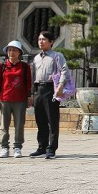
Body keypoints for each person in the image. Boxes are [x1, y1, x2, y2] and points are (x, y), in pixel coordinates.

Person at [29, 30, 70, 159]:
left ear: (51, 42)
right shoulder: (35, 58)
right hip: (38, 90)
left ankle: (51, 148)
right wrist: (31, 93)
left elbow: (64, 71)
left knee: (52, 120)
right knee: (40, 120)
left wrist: (60, 87)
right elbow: (33, 76)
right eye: (39, 39)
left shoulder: (57, 56)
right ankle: (41, 147)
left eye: (44, 40)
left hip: (51, 89)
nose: (41, 42)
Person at [0, 40, 32, 158]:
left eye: (14, 50)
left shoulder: (25, 67)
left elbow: (28, 82)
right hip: (4, 99)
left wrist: (29, 97)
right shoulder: (2, 65)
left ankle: (17, 147)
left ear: (19, 52)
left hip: (20, 99)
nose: (11, 52)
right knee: (4, 125)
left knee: (19, 124)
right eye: (9, 50)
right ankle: (4, 147)